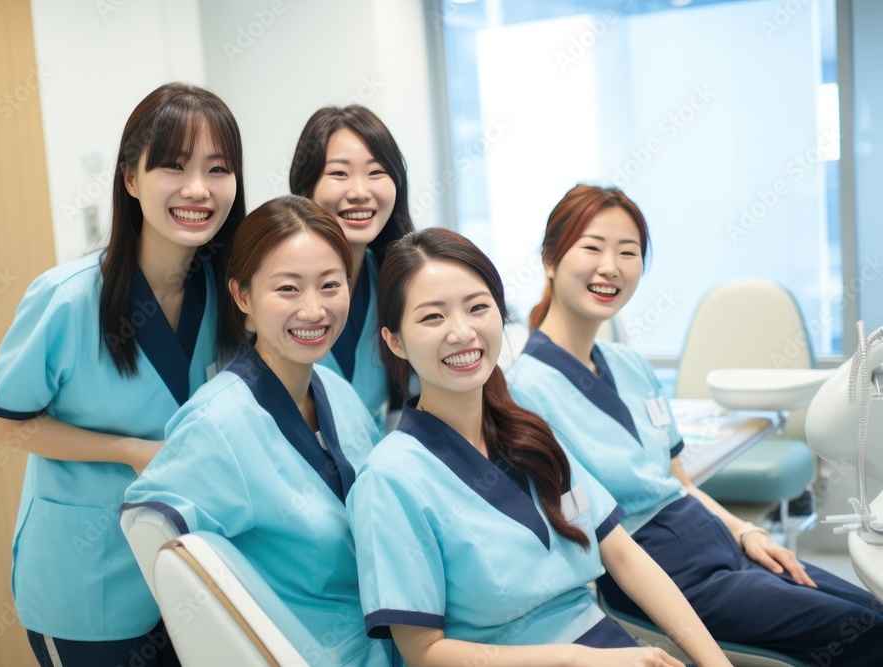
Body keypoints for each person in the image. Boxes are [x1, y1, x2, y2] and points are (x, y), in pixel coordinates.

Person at [507, 184, 883, 665]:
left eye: (629, 252)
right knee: (864, 634)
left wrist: (746, 532)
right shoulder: (522, 390)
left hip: (715, 537)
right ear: (550, 259)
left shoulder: (630, 365)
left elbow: (679, 481)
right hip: (656, 566)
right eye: (592, 247)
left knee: (871, 607)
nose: (611, 266)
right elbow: (583, 530)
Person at [349, 227, 731, 666]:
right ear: (395, 340)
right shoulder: (390, 479)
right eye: (432, 317)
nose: (462, 332)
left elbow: (623, 554)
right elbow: (425, 653)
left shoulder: (530, 434)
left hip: (607, 644)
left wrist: (714, 662)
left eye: (478, 308)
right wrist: (574, 659)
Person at [0, 82, 246, 666]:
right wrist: (129, 450)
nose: (198, 189)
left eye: (218, 168)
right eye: (174, 167)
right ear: (131, 179)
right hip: (88, 585)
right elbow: (6, 427)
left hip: (198, 578)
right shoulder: (67, 299)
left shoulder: (230, 295)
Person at [121, 195, 394, 666]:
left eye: (331, 285)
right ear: (243, 296)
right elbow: (150, 530)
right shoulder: (218, 424)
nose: (314, 310)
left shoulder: (335, 390)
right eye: (288, 289)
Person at [290, 106, 414, 427]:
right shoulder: (274, 286)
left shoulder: (398, 283)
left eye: (376, 173)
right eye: (339, 174)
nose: (360, 192)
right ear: (306, 189)